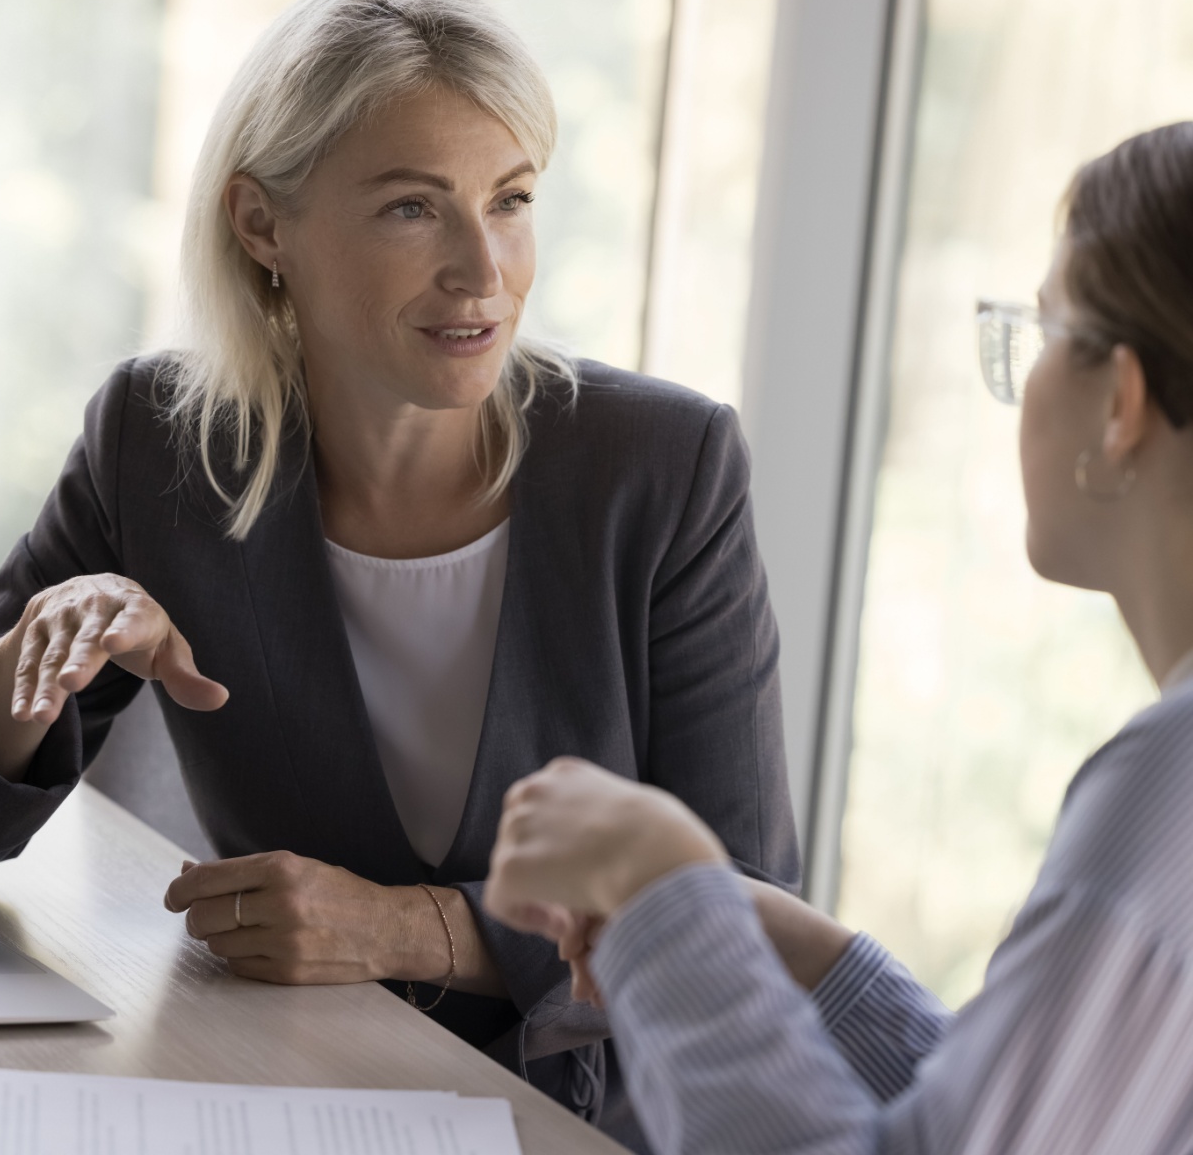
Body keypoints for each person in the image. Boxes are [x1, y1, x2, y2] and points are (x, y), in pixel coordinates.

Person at [0, 0, 799, 1144]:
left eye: (512, 198)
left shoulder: (664, 470)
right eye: (414, 207)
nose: (485, 270)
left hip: (602, 1115)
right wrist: (33, 666)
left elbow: (754, 916)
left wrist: (410, 929)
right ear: (264, 224)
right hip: (288, 1088)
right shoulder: (160, 444)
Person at [484, 121, 1193, 1154]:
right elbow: (1019, 1118)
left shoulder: (1167, 782)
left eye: (1042, 334)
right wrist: (790, 946)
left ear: (1121, 402)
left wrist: (662, 887)